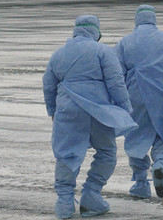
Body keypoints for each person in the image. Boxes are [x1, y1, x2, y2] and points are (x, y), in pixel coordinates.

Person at [43, 15, 137, 219]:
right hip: (97, 111)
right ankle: (91, 195)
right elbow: (115, 81)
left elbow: (48, 85)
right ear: (96, 31)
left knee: (66, 154)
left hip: (68, 109)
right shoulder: (103, 51)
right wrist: (124, 108)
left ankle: (64, 202)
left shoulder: (58, 54)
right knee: (106, 151)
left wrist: (52, 110)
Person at [114, 5, 163, 199]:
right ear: (154, 19)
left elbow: (116, 73)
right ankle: (161, 163)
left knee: (136, 135)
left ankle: (140, 182)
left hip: (135, 93)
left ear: (137, 20)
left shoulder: (125, 42)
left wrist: (116, 99)